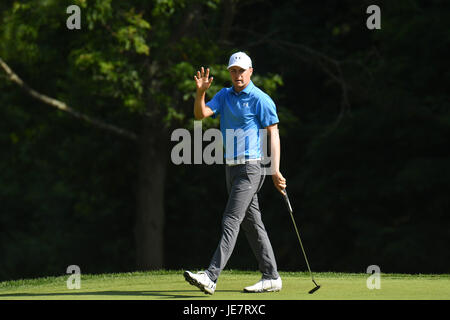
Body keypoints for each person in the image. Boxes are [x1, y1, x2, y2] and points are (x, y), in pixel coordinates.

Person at [184, 52, 287, 294]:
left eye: (241, 70)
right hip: (231, 167)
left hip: (252, 167)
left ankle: (210, 276)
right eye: (233, 70)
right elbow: (200, 115)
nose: (237, 75)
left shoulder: (261, 99)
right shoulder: (223, 95)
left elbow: (274, 134)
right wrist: (200, 92)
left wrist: (275, 170)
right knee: (252, 223)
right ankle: (271, 276)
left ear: (250, 71)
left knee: (231, 219)